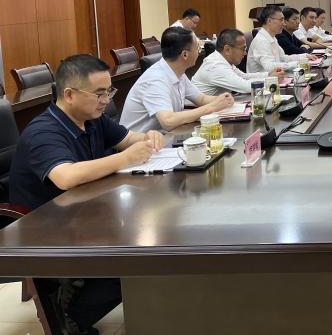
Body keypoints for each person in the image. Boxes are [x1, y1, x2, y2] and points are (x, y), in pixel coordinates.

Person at [10, 54, 164, 334]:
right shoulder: (43, 132)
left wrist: (151, 137)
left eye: (109, 91)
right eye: (99, 93)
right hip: (46, 226)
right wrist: (125, 158)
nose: (106, 100)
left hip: (85, 211)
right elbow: (66, 176)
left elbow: (131, 139)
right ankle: (69, 316)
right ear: (69, 94)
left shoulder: (93, 119)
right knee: (137, 258)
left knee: (151, 235)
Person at [120, 27, 234, 133]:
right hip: (138, 143)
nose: (199, 51)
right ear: (185, 55)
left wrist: (223, 100)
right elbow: (168, 121)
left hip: (164, 137)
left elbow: (201, 98)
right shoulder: (155, 80)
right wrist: (211, 107)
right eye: (197, 48)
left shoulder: (177, 71)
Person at [192, 28, 283, 96]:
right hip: (198, 112)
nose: (245, 53)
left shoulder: (223, 60)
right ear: (227, 49)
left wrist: (268, 75)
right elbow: (245, 87)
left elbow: (244, 77)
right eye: (243, 49)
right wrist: (271, 80)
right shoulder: (215, 65)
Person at [247, 5, 317, 72]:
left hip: (276, 76)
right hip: (263, 79)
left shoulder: (272, 37)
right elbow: (269, 66)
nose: (283, 23)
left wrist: (305, 56)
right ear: (269, 21)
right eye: (281, 20)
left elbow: (283, 58)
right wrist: (297, 64)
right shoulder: (261, 40)